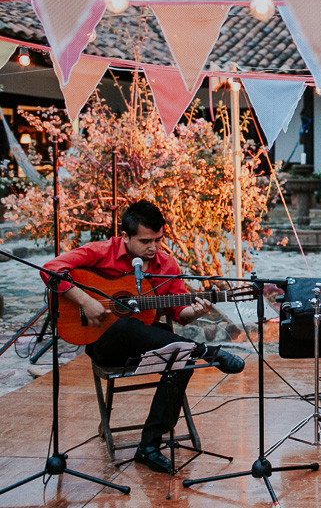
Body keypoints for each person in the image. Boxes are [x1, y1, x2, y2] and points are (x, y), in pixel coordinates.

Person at [41, 200, 245, 473]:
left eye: (159, 240)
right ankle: (206, 351)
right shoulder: (101, 252)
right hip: (105, 345)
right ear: (125, 236)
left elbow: (178, 312)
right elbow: (49, 269)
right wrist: (86, 301)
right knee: (124, 327)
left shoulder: (166, 264)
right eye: (146, 241)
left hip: (147, 342)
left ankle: (149, 446)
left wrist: (195, 312)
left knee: (181, 360)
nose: (154, 248)